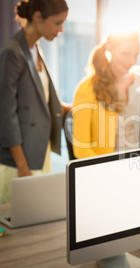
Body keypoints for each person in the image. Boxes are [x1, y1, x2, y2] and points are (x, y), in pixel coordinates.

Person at [0, 0, 70, 204]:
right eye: (58, 22)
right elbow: (6, 115)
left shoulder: (34, 48)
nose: (61, 29)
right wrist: (22, 166)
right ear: (38, 17)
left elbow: (40, 100)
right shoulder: (12, 53)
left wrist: (76, 107)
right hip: (19, 163)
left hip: (39, 152)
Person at [72, 31, 140, 159]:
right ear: (109, 48)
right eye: (125, 54)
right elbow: (81, 149)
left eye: (136, 55)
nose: (131, 61)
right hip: (106, 167)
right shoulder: (86, 89)